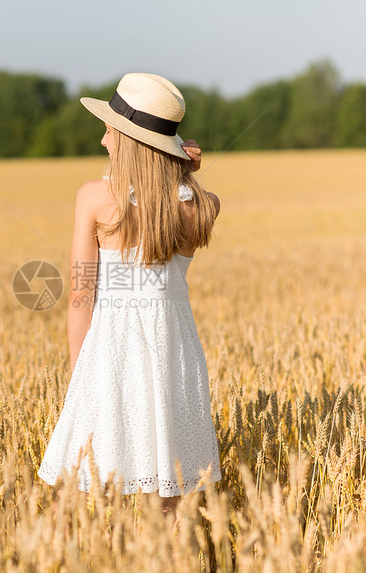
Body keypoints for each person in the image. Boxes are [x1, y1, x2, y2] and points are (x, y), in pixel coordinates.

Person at [37, 72, 222, 515]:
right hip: (176, 356)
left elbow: (82, 295)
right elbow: (181, 187)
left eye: (109, 130)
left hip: (111, 354)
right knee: (170, 491)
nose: (103, 141)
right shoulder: (205, 206)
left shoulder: (95, 198)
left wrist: (77, 371)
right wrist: (181, 163)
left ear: (129, 139)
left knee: (85, 490)